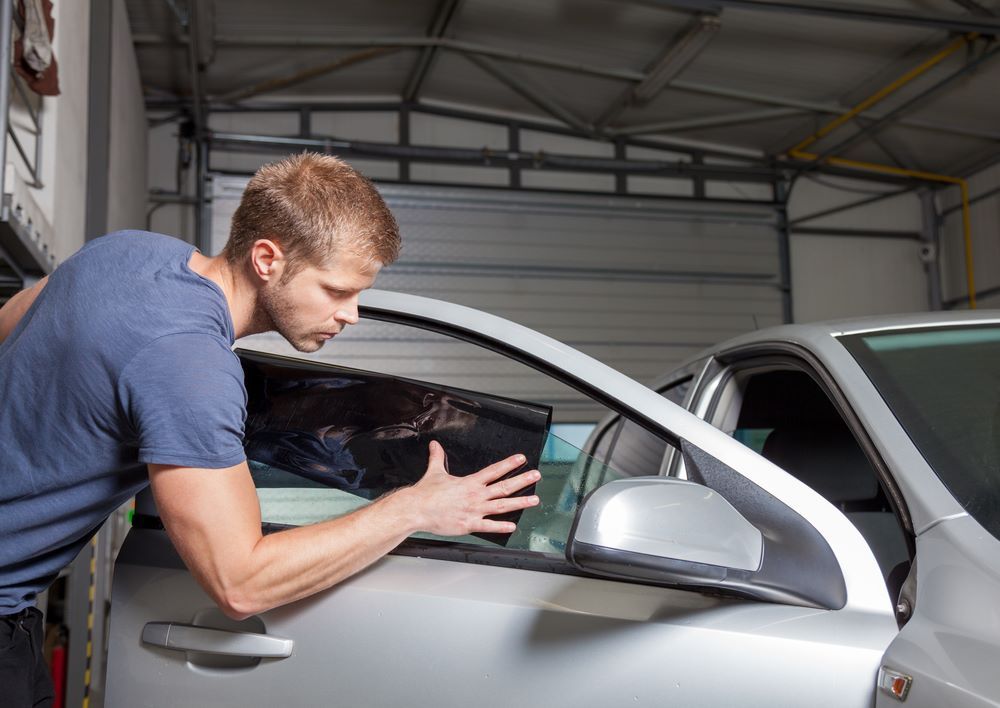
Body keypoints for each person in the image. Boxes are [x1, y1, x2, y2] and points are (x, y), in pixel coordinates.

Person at [0, 152, 540, 707]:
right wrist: (414, 510)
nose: (351, 314)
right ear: (266, 258)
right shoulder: (191, 366)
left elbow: (9, 325)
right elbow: (241, 583)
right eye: (336, 291)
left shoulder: (127, 250)